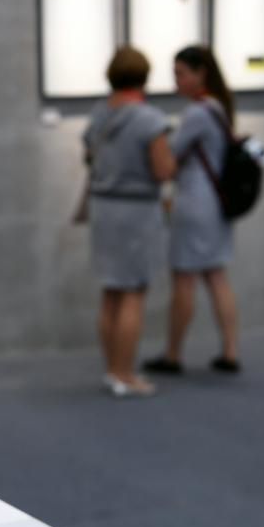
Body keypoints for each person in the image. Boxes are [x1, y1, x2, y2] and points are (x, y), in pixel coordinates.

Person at [74, 47, 175, 397]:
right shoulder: (150, 119)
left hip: (103, 209)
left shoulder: (100, 115)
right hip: (136, 211)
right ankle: (126, 374)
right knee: (133, 292)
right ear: (144, 77)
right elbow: (163, 170)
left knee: (111, 293)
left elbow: (89, 157)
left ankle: (112, 370)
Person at [144, 45, 241, 376]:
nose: (176, 81)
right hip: (216, 205)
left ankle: (173, 354)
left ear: (201, 73)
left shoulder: (198, 113)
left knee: (184, 277)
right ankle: (229, 350)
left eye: (181, 73)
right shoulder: (218, 108)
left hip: (195, 204)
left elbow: (169, 157)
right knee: (216, 275)